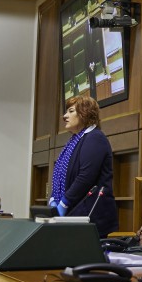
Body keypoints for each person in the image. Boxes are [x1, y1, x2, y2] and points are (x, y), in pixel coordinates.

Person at [49, 96, 117, 237]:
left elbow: (86, 177)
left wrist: (64, 203)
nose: (64, 116)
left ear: (84, 113)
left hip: (90, 217)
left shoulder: (95, 138)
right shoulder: (75, 140)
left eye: (71, 111)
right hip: (73, 214)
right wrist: (53, 200)